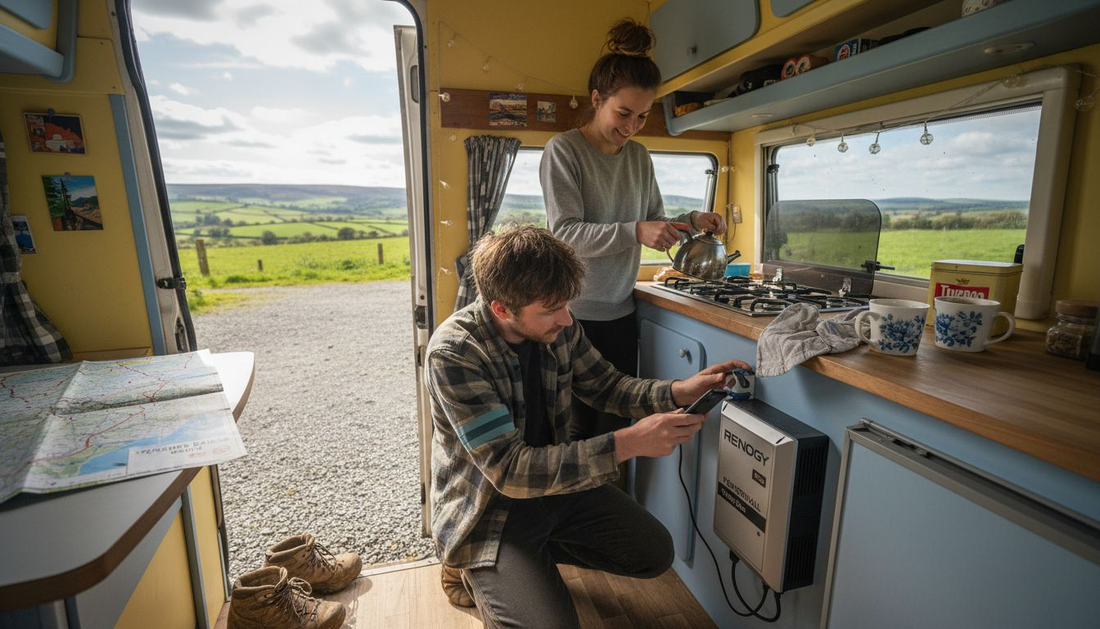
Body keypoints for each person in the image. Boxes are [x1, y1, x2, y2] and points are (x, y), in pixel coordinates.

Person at [425, 226, 750, 628]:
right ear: (502, 309)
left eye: (566, 304)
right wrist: (625, 444)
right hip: (489, 509)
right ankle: (475, 565)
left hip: (557, 486)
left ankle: (526, 562)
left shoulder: (560, 325)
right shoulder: (455, 354)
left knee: (653, 553)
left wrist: (681, 390)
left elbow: (607, 386)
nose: (566, 319)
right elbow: (508, 470)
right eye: (550, 310)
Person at [540, 18, 728, 439]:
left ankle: (614, 505)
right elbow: (565, 234)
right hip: (572, 317)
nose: (631, 126)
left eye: (642, 116)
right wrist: (634, 232)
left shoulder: (639, 156)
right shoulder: (564, 151)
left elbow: (653, 219)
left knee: (618, 427)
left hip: (621, 313)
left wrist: (693, 221)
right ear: (596, 99)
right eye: (623, 113)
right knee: (574, 432)